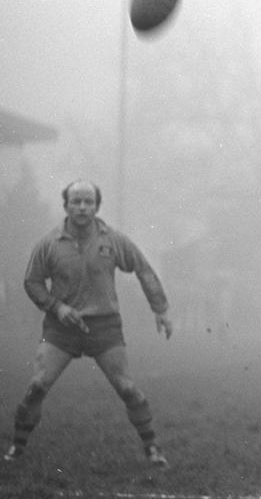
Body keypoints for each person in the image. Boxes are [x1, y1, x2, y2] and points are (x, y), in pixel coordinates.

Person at [3, 180, 173, 467]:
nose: (82, 207)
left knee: (127, 388)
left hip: (105, 328)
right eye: (76, 201)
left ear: (96, 206)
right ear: (66, 205)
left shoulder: (114, 241)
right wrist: (57, 307)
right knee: (37, 384)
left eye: (88, 202)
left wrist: (161, 308)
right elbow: (32, 282)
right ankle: (16, 449)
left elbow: (143, 269)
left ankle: (153, 449)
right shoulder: (49, 243)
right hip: (60, 329)